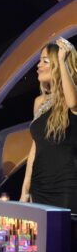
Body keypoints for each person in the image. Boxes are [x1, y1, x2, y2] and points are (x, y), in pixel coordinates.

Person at [20, 38, 77, 213]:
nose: (38, 65)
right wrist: (25, 191)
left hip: (66, 185)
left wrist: (61, 60)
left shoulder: (72, 98)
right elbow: (35, 148)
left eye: (45, 61)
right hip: (40, 186)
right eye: (39, 60)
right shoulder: (39, 102)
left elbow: (73, 102)